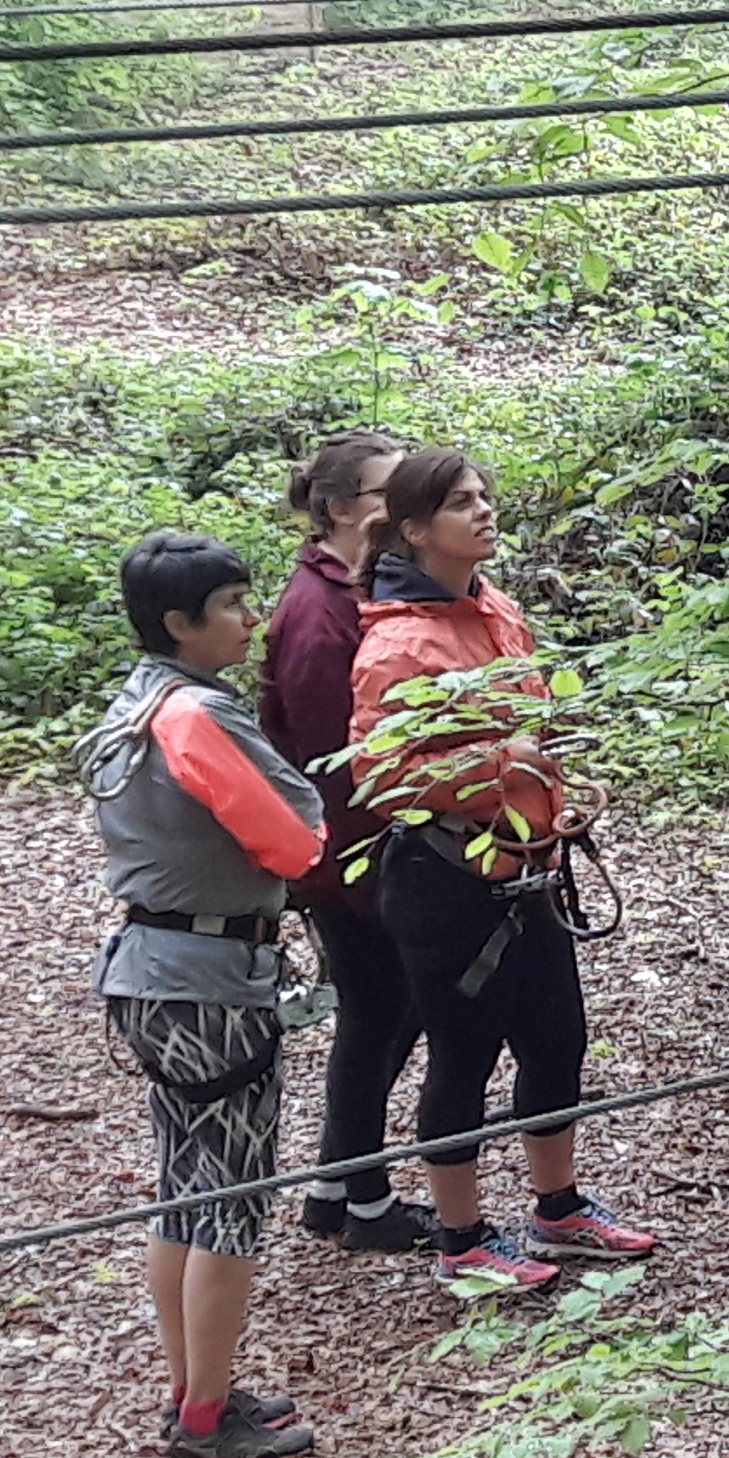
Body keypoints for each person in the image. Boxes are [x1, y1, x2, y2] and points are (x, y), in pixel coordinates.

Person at [352, 449, 663, 1292]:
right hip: (445, 879)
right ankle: (461, 1240)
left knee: (558, 1036)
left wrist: (559, 794)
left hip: (531, 866)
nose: (484, 511)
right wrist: (502, 763)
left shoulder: (495, 610)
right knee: (464, 1053)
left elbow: (532, 731)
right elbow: (381, 778)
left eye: (485, 496)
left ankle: (556, 1208)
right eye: (462, 503)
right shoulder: (397, 645)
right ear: (416, 530)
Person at [86, 532, 328, 1458]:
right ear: (180, 624)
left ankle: (197, 1391)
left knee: (184, 1190)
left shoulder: (131, 706)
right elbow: (295, 839)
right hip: (213, 985)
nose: (249, 619)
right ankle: (204, 1427)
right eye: (231, 604)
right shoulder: (197, 716)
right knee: (228, 1201)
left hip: (149, 971)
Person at [257, 433, 436, 1254]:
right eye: (385, 492)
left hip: (364, 848)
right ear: (338, 508)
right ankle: (361, 1196)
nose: (403, 508)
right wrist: (386, 861)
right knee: (380, 1011)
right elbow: (337, 758)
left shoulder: (359, 590)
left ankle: (338, 1180)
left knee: (390, 1010)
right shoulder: (319, 611)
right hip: (348, 855)